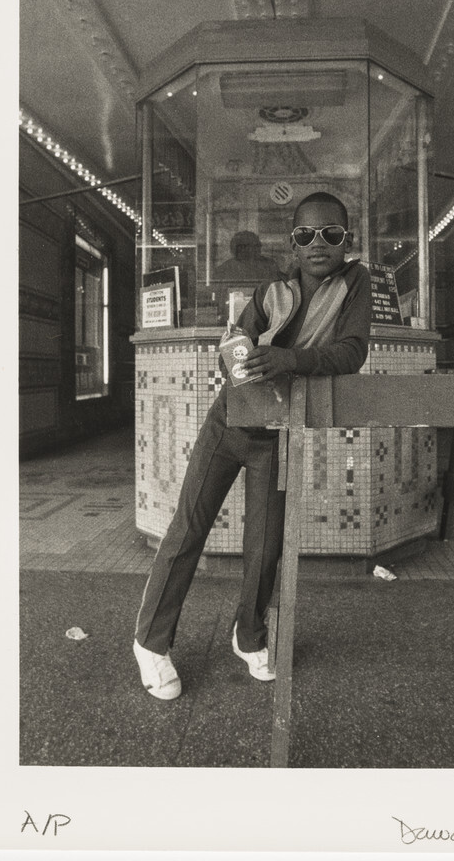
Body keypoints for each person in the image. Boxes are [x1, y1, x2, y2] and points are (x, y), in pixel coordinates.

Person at [133, 191, 372, 698]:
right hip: (230, 423)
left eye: (331, 234)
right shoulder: (272, 289)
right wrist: (240, 355)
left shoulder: (356, 282)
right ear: (293, 241)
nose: (318, 244)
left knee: (264, 547)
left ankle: (249, 635)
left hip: (279, 434)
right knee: (188, 529)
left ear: (346, 240)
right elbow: (234, 344)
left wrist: (284, 361)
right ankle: (151, 644)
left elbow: (351, 353)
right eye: (306, 234)